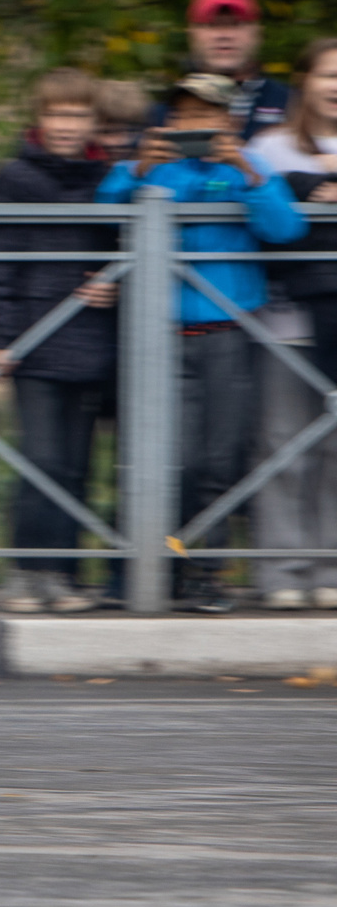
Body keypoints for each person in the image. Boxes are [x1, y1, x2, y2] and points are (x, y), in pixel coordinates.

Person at [97, 72, 306, 612]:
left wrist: (243, 168)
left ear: (230, 120)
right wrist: (141, 168)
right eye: (186, 115)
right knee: (173, 461)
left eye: (209, 115)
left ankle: (206, 573)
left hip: (230, 336)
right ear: (170, 120)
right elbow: (102, 213)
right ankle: (159, 566)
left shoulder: (247, 168)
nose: (197, 125)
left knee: (221, 460)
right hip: (158, 338)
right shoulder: (148, 168)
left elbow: (286, 229)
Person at [0, 71, 118, 615]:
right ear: (39, 119)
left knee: (77, 465)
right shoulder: (14, 176)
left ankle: (62, 574)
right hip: (33, 340)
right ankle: (24, 570)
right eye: (57, 115)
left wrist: (115, 284)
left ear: (93, 122)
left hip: (92, 338)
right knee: (41, 459)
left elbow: (125, 247)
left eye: (78, 115)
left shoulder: (109, 175)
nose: (67, 126)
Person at [244, 37, 337, 610]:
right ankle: (280, 569)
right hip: (283, 322)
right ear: (303, 80)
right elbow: (258, 219)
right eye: (327, 74)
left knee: (335, 450)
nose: (334, 86)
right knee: (282, 445)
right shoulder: (269, 147)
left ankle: (329, 567)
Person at [185, 0, 288, 140]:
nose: (224, 35)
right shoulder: (169, 110)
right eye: (212, 25)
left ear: (258, 33)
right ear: (191, 35)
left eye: (236, 24)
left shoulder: (292, 104)